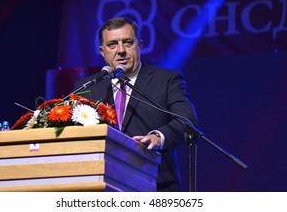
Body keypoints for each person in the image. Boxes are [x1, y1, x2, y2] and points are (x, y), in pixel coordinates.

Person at [74, 17, 198, 191]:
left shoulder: (166, 80)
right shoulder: (87, 87)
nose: (121, 50)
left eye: (128, 42)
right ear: (102, 51)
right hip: (101, 187)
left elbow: (187, 119)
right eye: (113, 45)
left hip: (155, 185)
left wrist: (158, 136)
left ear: (139, 45)